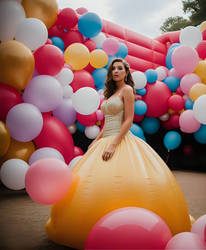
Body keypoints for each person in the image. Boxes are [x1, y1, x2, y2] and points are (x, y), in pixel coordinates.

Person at [46, 58, 191, 249]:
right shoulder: (110, 93)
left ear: (126, 72)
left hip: (119, 139)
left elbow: (128, 120)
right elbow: (106, 123)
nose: (116, 71)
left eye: (120, 68)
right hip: (105, 138)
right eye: (113, 68)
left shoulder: (128, 91)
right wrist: (96, 142)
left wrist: (113, 144)